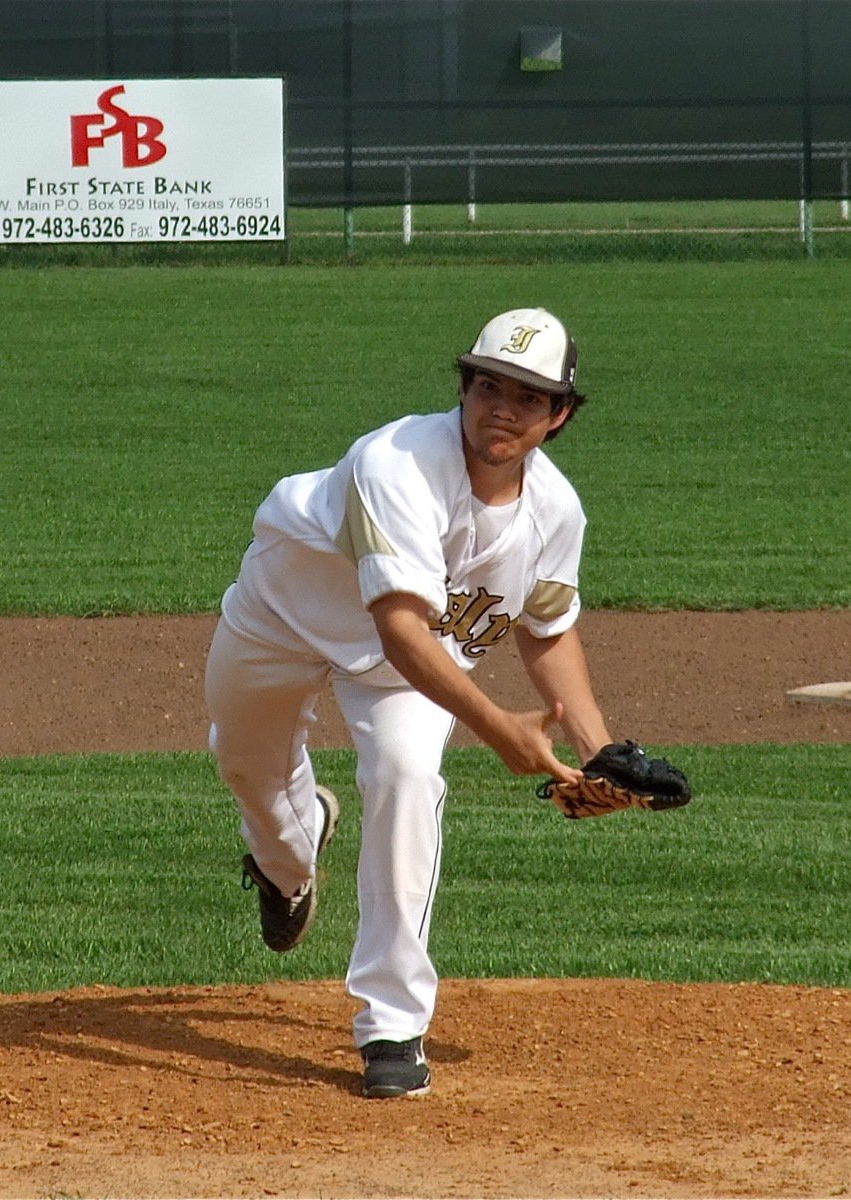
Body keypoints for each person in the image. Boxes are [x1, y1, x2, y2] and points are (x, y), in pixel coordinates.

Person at [204, 307, 616, 1099]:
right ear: (463, 388)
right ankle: (290, 858)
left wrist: (597, 754)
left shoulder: (555, 512)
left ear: (559, 414)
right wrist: (501, 731)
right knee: (245, 769)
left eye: (529, 397)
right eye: (488, 385)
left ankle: (391, 1024)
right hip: (281, 617)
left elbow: (546, 630)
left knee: (405, 777)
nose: (503, 407)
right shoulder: (393, 462)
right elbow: (399, 628)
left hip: (407, 665)